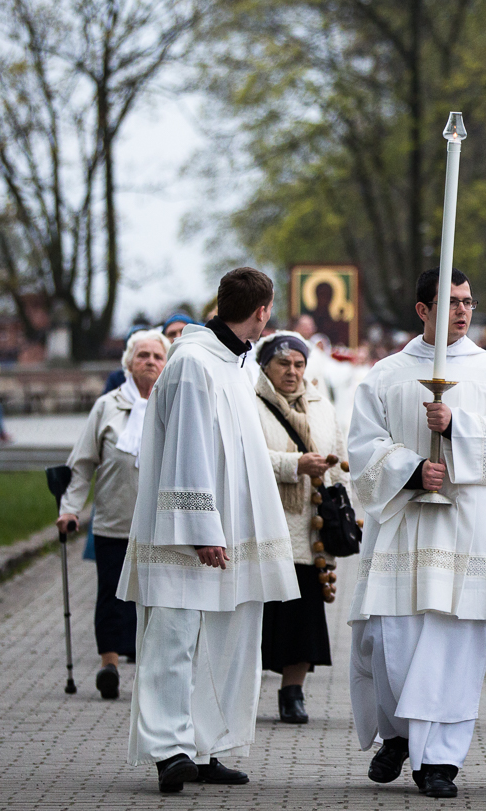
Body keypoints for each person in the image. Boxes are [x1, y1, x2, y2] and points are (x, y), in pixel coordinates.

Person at [347, 268, 486, 800]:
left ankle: (440, 762)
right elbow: (363, 445)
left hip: (465, 531)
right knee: (391, 645)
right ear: (422, 309)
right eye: (450, 302)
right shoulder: (385, 374)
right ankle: (403, 733)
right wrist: (409, 470)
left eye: (469, 302)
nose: (463, 311)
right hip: (403, 530)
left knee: (454, 647)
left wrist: (456, 428)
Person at [117, 268, 299, 794]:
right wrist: (203, 530)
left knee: (225, 641)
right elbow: (189, 452)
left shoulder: (231, 364)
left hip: (230, 537)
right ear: (262, 311)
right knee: (172, 640)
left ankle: (204, 746)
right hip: (192, 536)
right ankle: (169, 749)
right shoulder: (195, 363)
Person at [56, 329, 170, 699]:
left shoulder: (173, 404)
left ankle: (153, 673)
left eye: (157, 356)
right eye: (143, 355)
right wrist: (70, 509)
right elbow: (83, 463)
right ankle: (109, 665)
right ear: (129, 362)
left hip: (160, 527)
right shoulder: (107, 405)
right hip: (113, 522)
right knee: (111, 597)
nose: (150, 362)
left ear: (166, 364)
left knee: (155, 599)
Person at [253, 331, 351, 724]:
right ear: (265, 366)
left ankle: (292, 693)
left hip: (311, 529)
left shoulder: (320, 406)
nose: (292, 371)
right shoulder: (249, 404)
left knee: (304, 615)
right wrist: (293, 465)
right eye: (283, 363)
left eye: (299, 364)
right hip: (266, 524)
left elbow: (341, 455)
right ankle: (241, 690)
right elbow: (245, 456)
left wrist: (337, 490)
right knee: (261, 613)